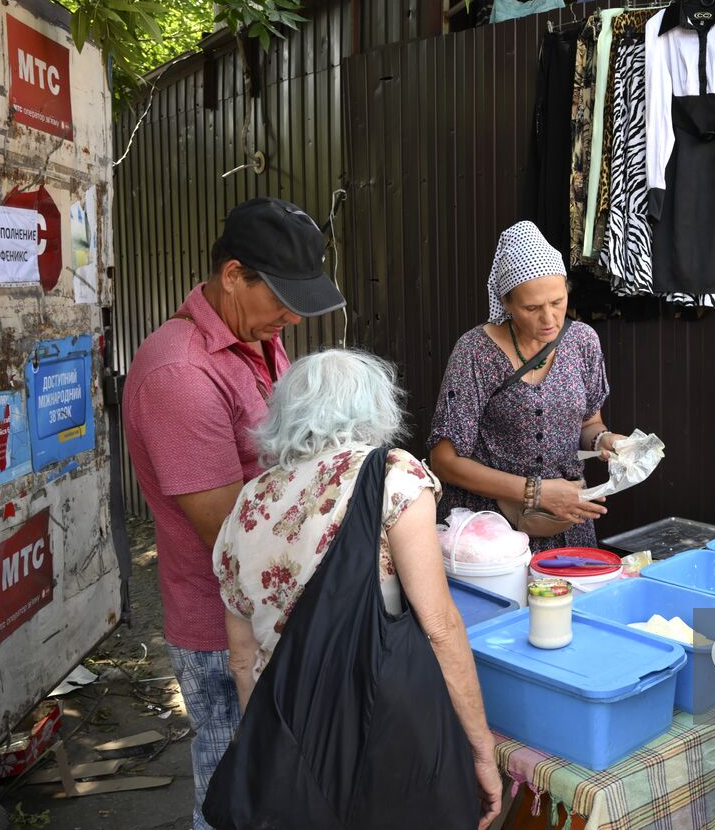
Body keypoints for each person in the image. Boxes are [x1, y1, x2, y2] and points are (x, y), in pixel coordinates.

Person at [123, 198, 344, 829]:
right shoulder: (180, 375)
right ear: (232, 275)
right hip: (225, 630)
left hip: (272, 609)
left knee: (278, 791)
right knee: (234, 802)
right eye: (281, 297)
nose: (292, 317)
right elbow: (231, 538)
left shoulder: (252, 337)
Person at [213, 350, 502, 827]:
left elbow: (242, 661)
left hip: (293, 746)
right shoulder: (391, 475)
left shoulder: (249, 501)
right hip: (382, 731)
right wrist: (481, 749)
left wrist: (274, 755)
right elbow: (441, 627)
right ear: (376, 407)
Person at [428, 221, 626, 551]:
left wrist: (606, 439)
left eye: (558, 302)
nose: (549, 319)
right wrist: (536, 491)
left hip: (565, 523)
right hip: (488, 536)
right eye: (531, 308)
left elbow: (589, 422)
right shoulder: (475, 352)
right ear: (505, 302)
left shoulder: (582, 341)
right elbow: (444, 461)